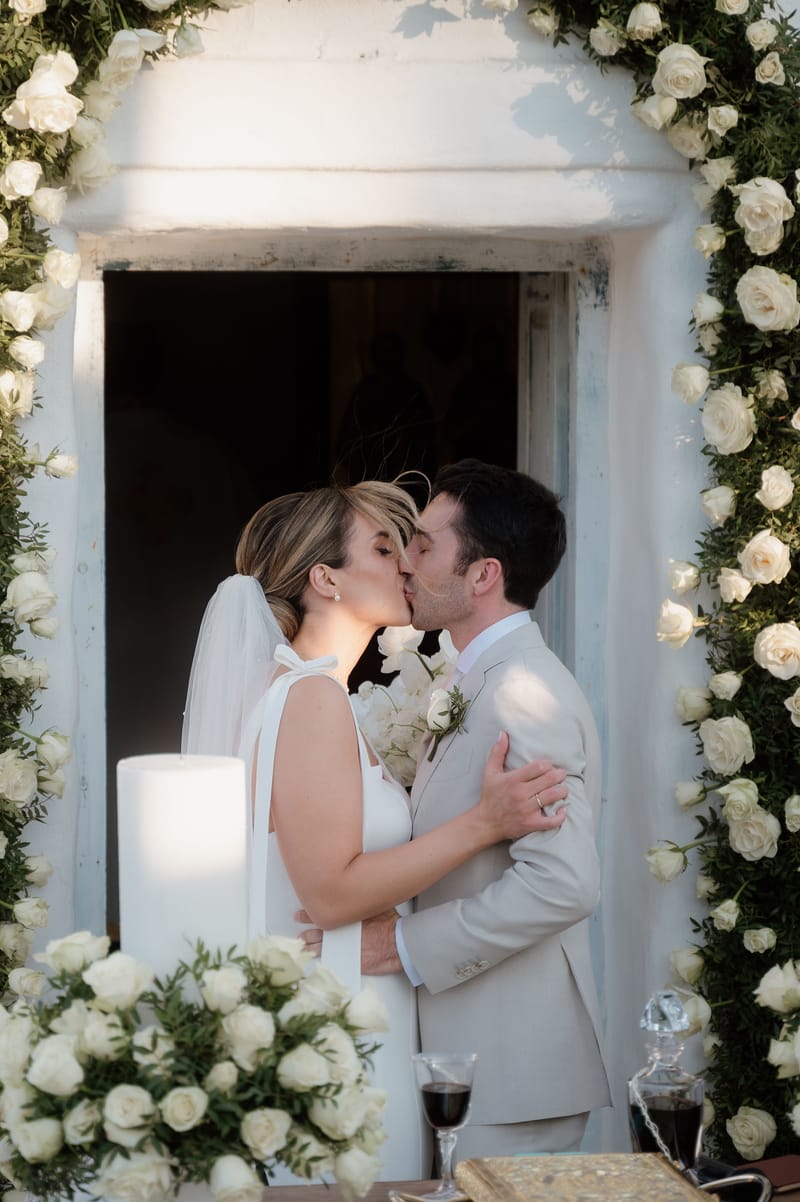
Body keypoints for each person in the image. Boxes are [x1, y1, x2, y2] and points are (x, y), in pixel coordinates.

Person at [181, 479, 569, 1181]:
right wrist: (483, 822)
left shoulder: (306, 691)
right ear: (324, 578)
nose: (405, 565)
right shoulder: (310, 696)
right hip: (340, 1027)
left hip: (349, 1011)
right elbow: (329, 895)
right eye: (385, 547)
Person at [356, 460, 612, 1159]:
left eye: (425, 544)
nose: (405, 562)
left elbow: (563, 882)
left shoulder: (527, 694)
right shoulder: (484, 678)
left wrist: (408, 945)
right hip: (474, 1064)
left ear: (482, 575)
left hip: (511, 1070)